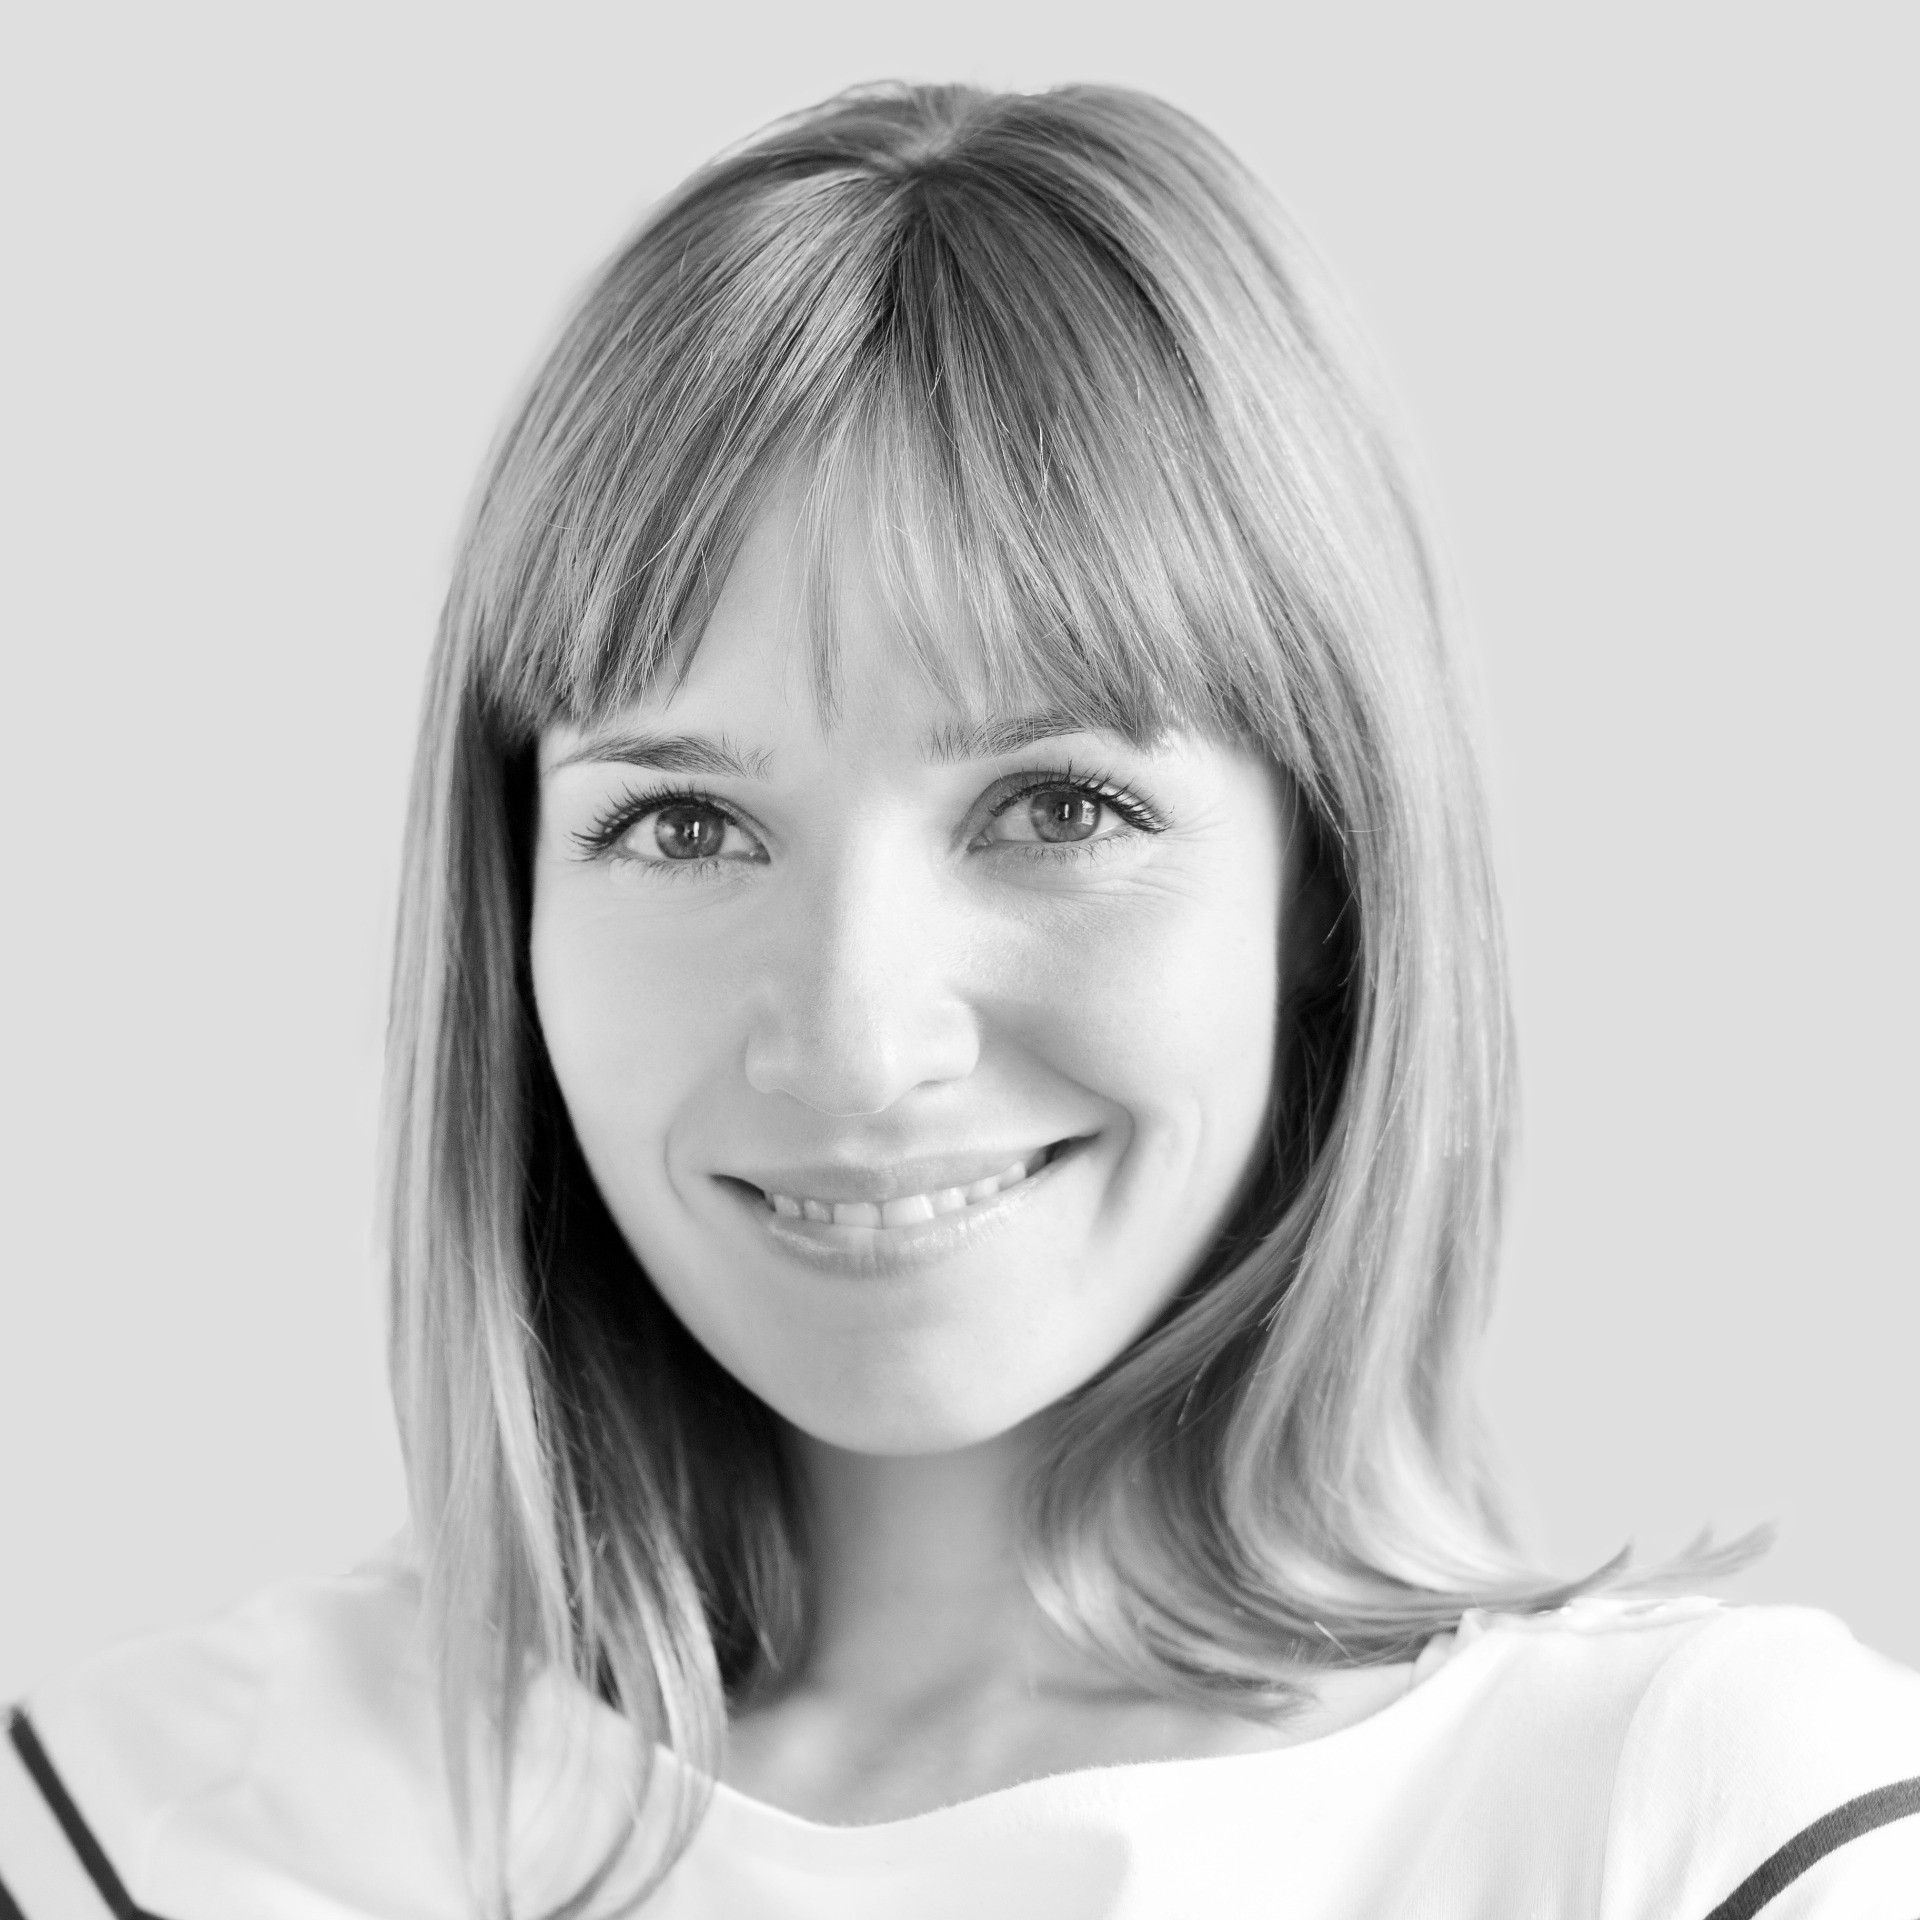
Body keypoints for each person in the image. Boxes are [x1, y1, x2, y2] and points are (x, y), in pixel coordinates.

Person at [3, 80, 1915, 1920]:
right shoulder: (142, 1836)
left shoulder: (1710, 1837)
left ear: (1329, 884)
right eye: (684, 823)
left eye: (1058, 808)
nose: (853, 1041)